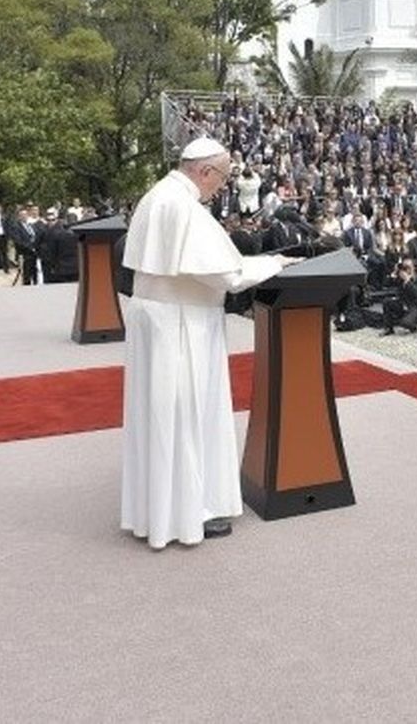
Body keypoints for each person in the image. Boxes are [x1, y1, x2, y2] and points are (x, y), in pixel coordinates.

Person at [119, 137, 297, 550]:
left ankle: (156, 511)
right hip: (181, 324)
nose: (222, 186)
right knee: (185, 415)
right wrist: (273, 263)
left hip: (159, 316)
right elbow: (227, 276)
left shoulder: (157, 196)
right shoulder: (183, 206)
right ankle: (188, 513)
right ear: (204, 171)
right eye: (223, 177)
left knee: (161, 415)